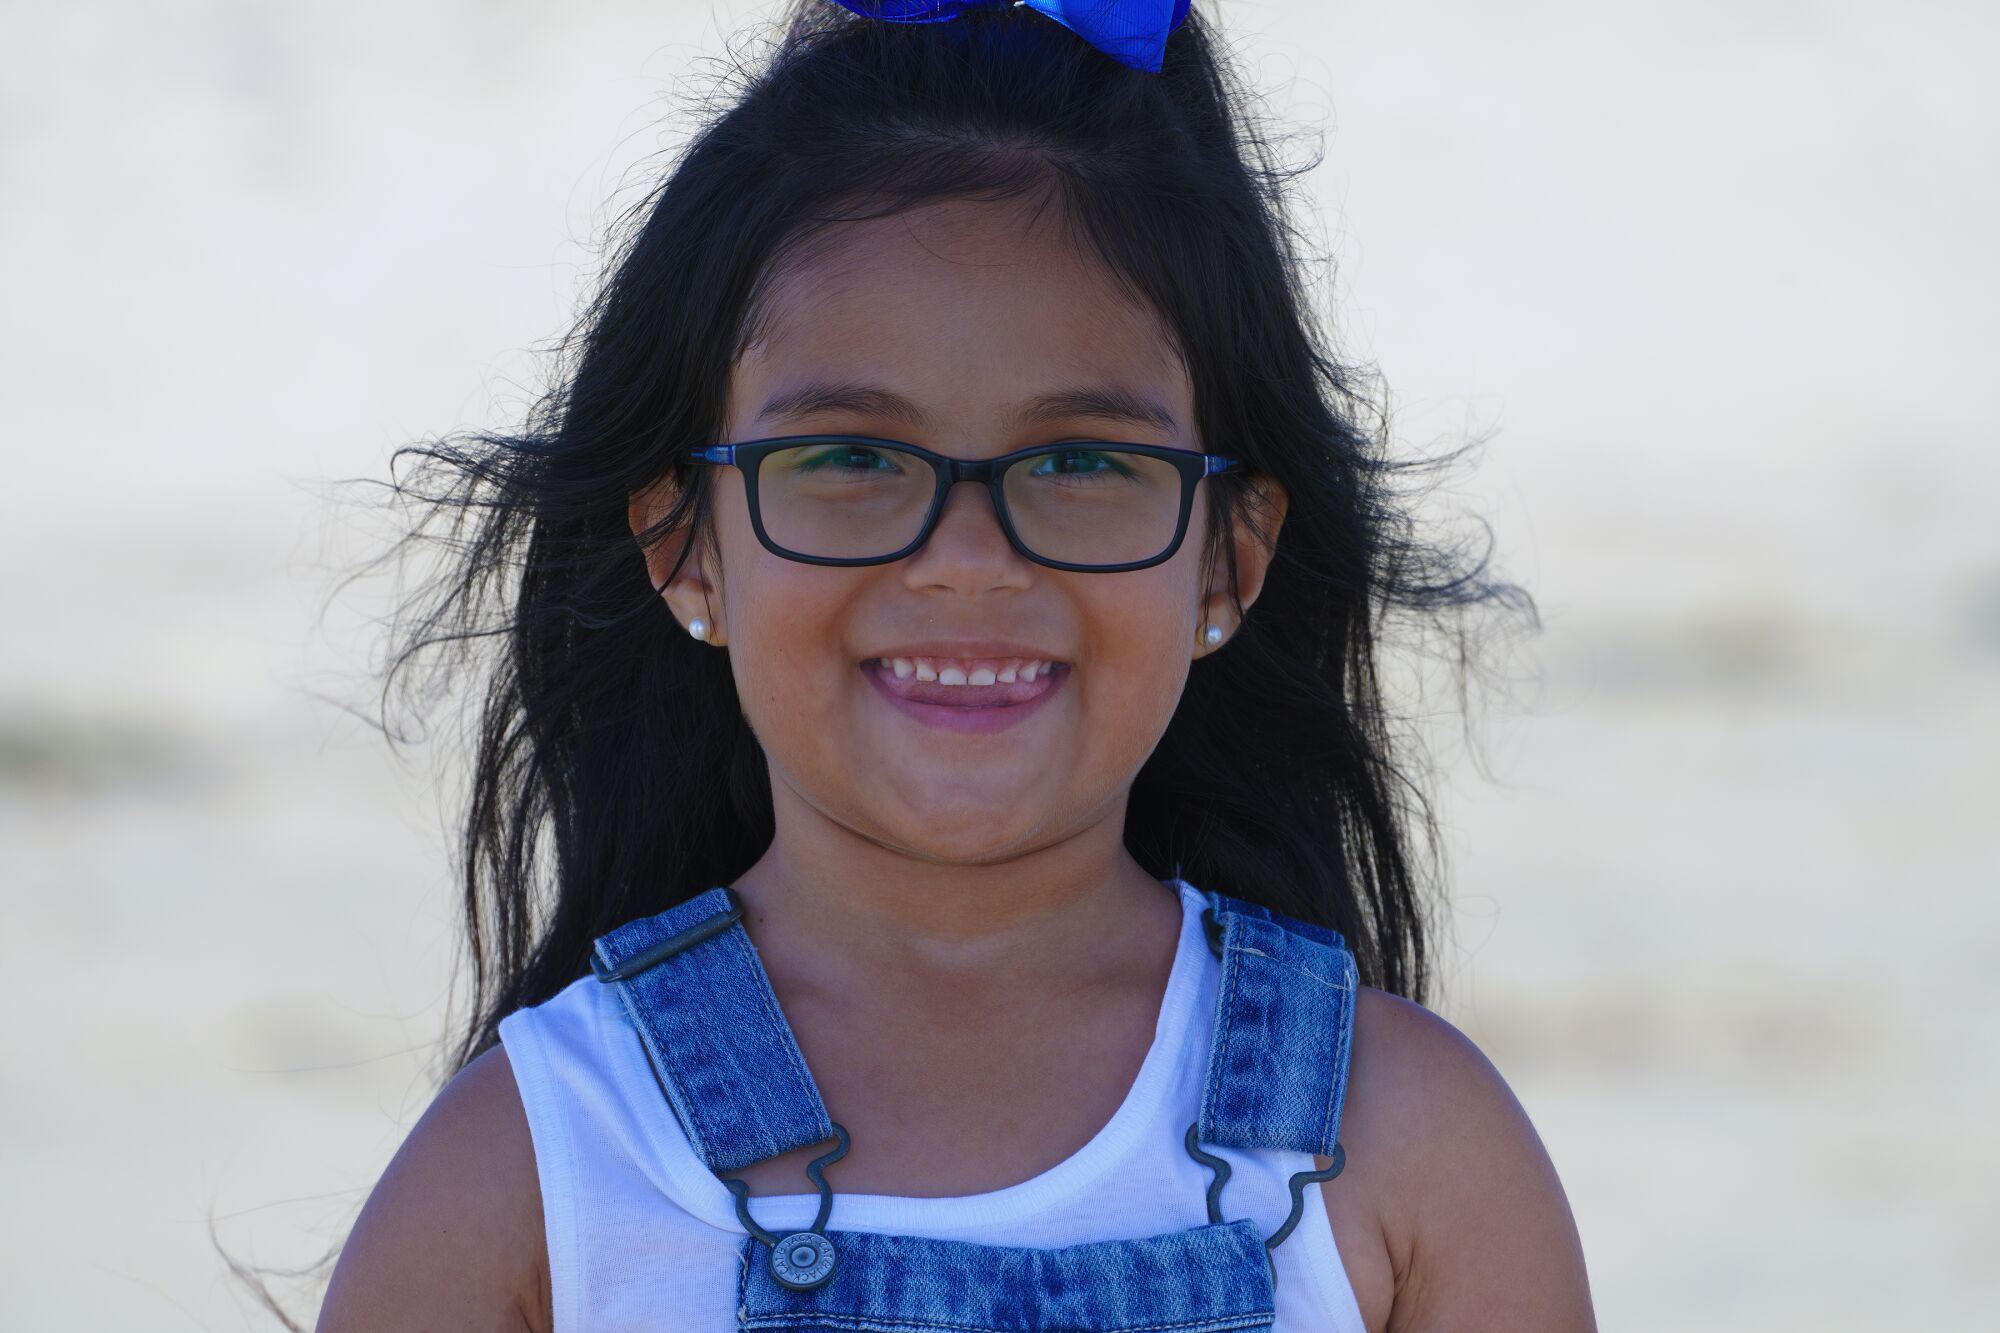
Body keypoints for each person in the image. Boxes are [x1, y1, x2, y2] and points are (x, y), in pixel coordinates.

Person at [316, 2, 1593, 1329]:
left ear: (1228, 558)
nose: (968, 560)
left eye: (1085, 461)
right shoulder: (530, 1171)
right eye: (853, 456)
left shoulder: (1415, 1152)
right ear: (687, 546)